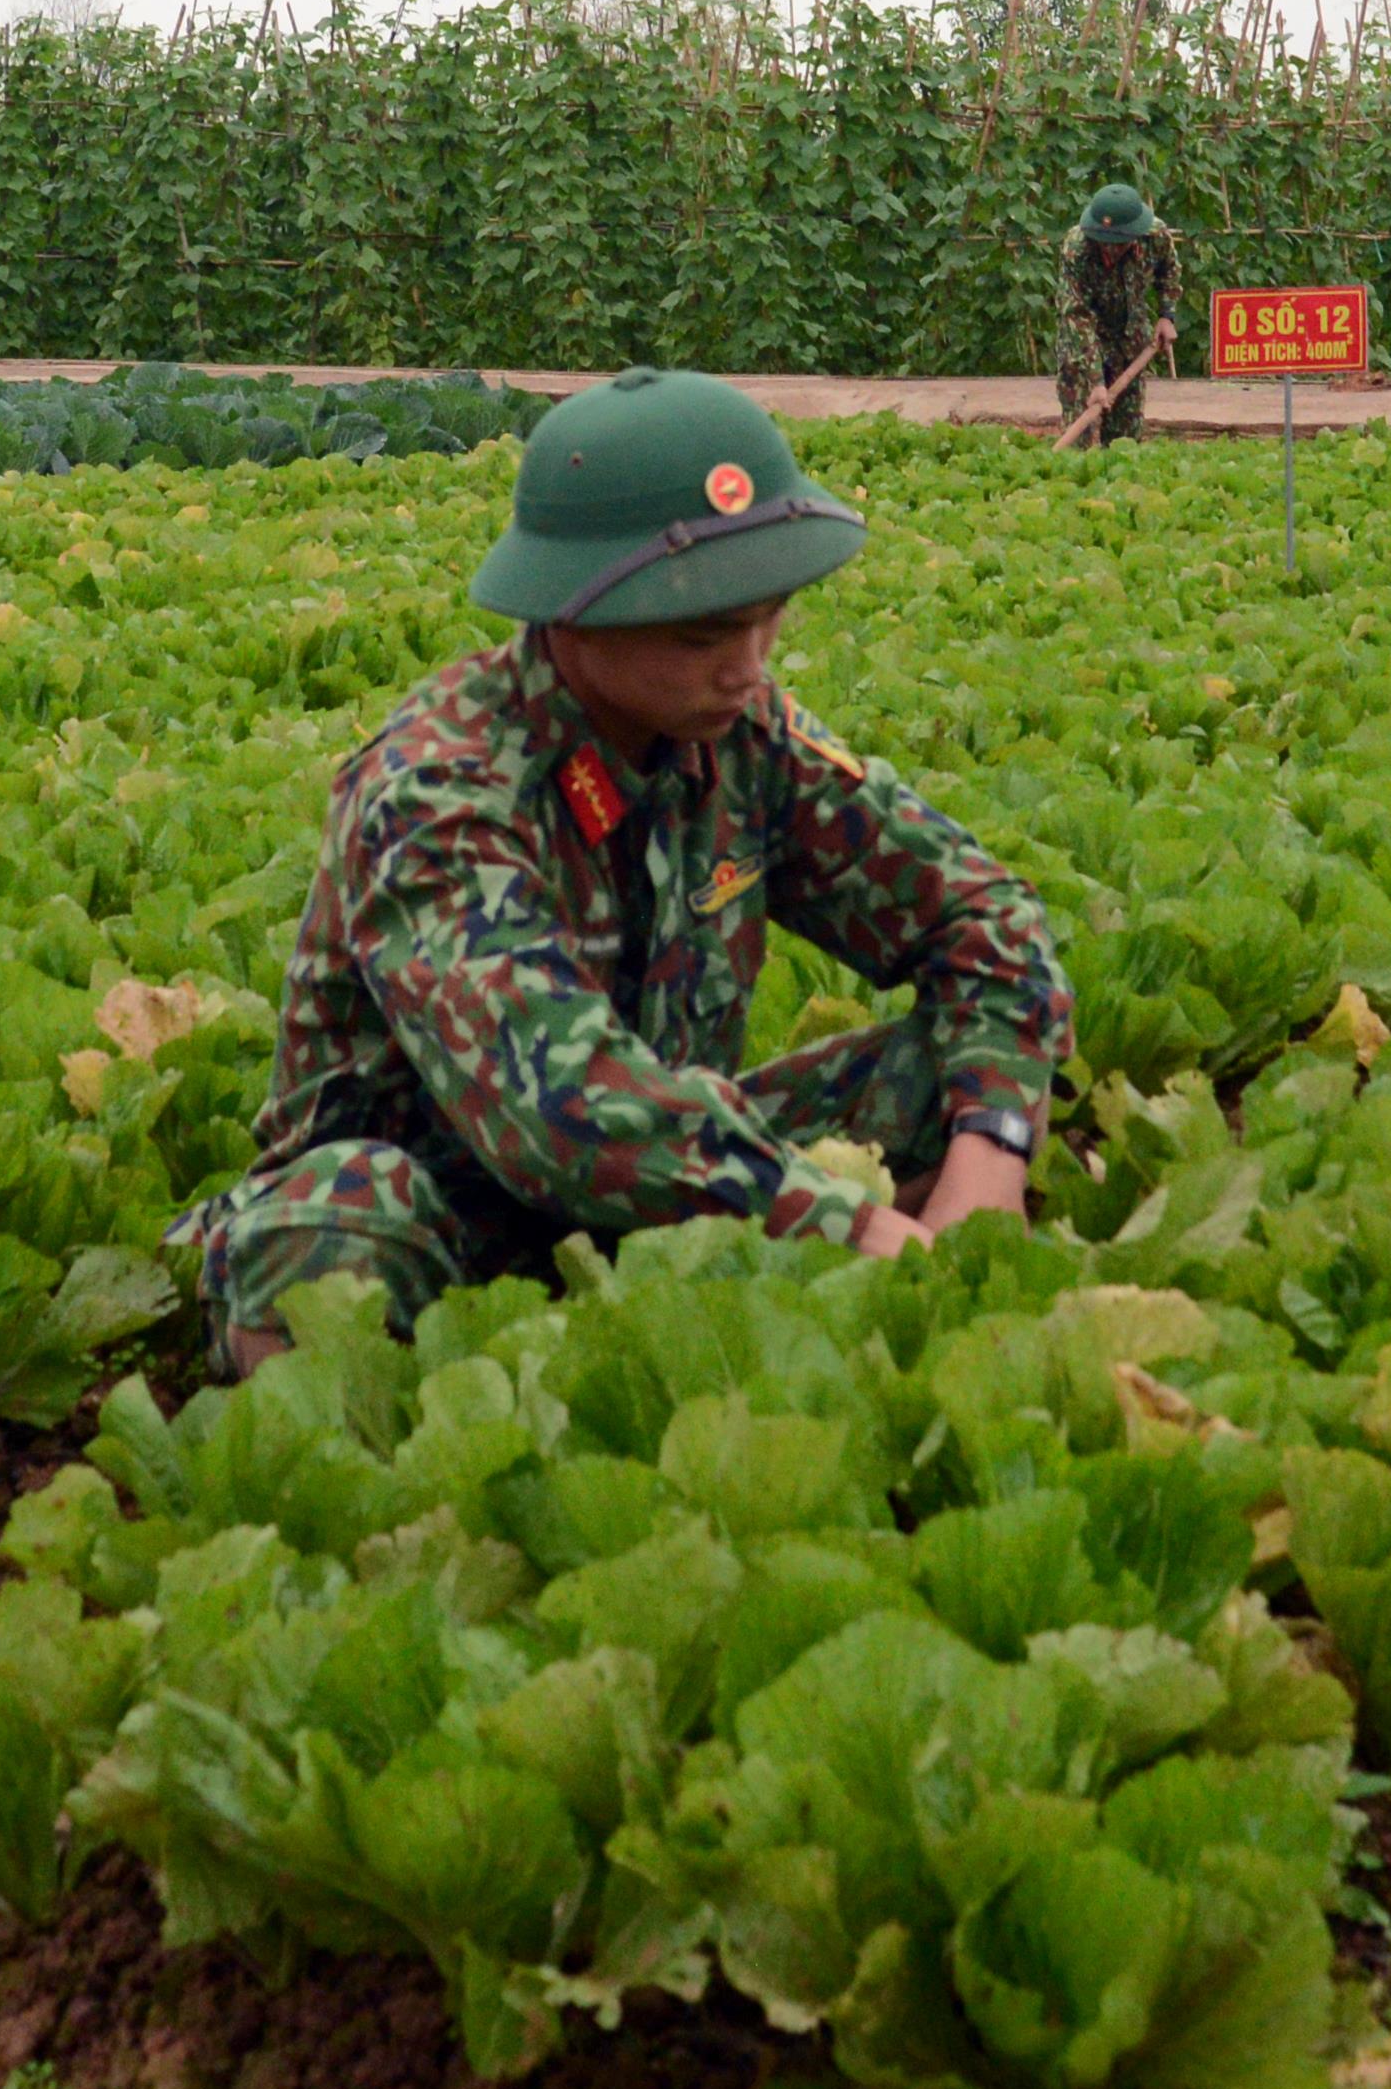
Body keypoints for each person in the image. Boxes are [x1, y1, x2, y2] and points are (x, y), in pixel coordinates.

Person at [181, 368, 1074, 1363]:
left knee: (938, 1075)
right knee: (328, 1227)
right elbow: (558, 1107)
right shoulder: (439, 790)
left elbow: (987, 922)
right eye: (702, 631)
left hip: (662, 1205)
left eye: (766, 616)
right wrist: (845, 1223)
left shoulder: (743, 734)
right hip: (446, 1224)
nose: (748, 664)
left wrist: (987, 1161)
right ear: (573, 613)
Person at [1052, 184, 1185, 446]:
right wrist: (1095, 380)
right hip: (1083, 345)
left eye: (1118, 243)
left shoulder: (1155, 236)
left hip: (1131, 340)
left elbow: (1169, 272)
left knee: (1125, 438)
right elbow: (1077, 317)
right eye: (1104, 243)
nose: (1110, 250)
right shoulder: (1076, 249)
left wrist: (1166, 315)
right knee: (1082, 435)